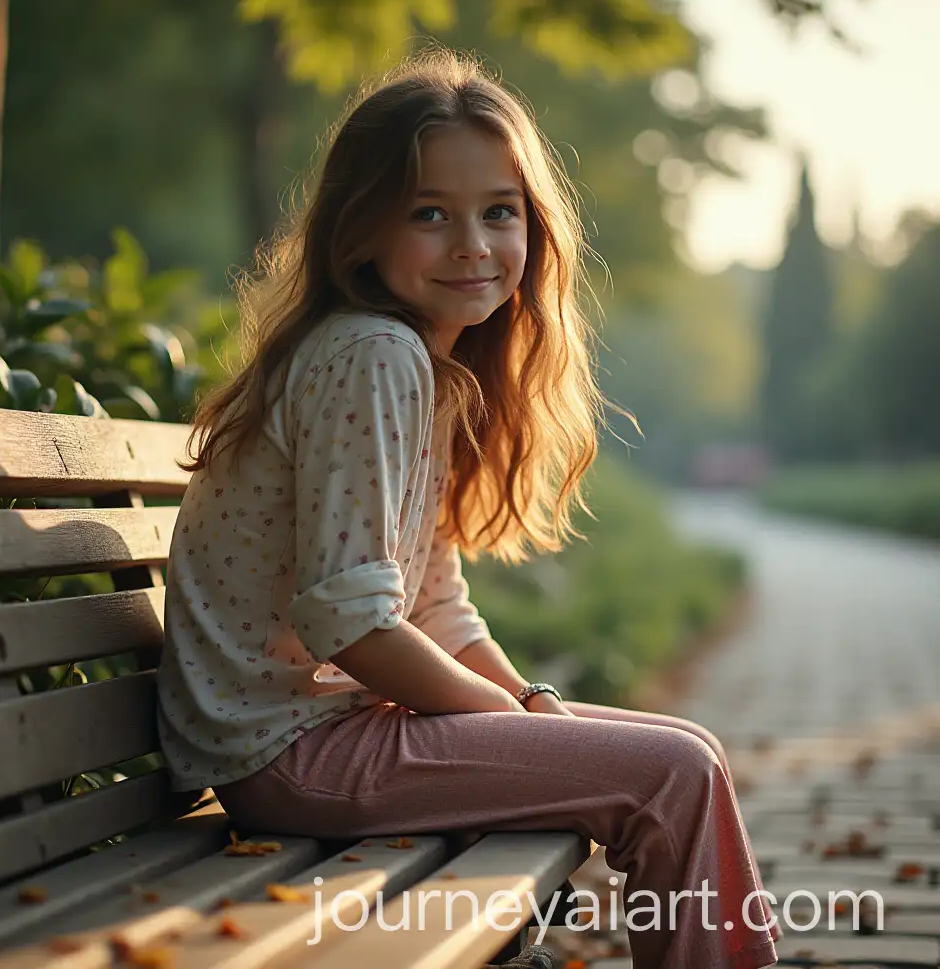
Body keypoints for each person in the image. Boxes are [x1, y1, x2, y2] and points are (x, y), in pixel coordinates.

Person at [156, 47, 780, 969]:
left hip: (325, 735)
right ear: (359, 231)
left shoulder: (419, 365)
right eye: (429, 215)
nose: (473, 246)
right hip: (285, 753)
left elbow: (435, 601)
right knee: (674, 775)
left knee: (689, 748)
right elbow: (352, 622)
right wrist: (509, 720)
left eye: (500, 213)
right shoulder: (374, 355)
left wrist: (528, 701)